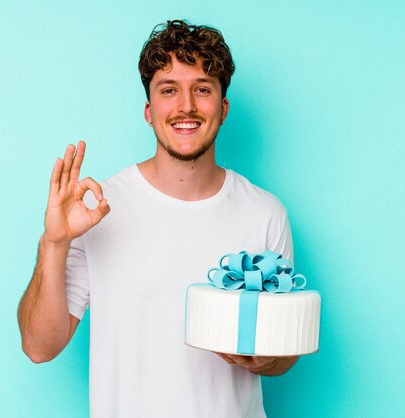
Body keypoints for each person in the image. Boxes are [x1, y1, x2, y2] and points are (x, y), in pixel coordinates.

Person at [18, 19, 299, 417]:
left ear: (223, 107)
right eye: (169, 91)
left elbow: (284, 351)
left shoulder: (265, 213)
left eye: (202, 89)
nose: (186, 106)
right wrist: (54, 242)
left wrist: (262, 359)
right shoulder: (98, 209)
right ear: (150, 111)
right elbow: (38, 346)